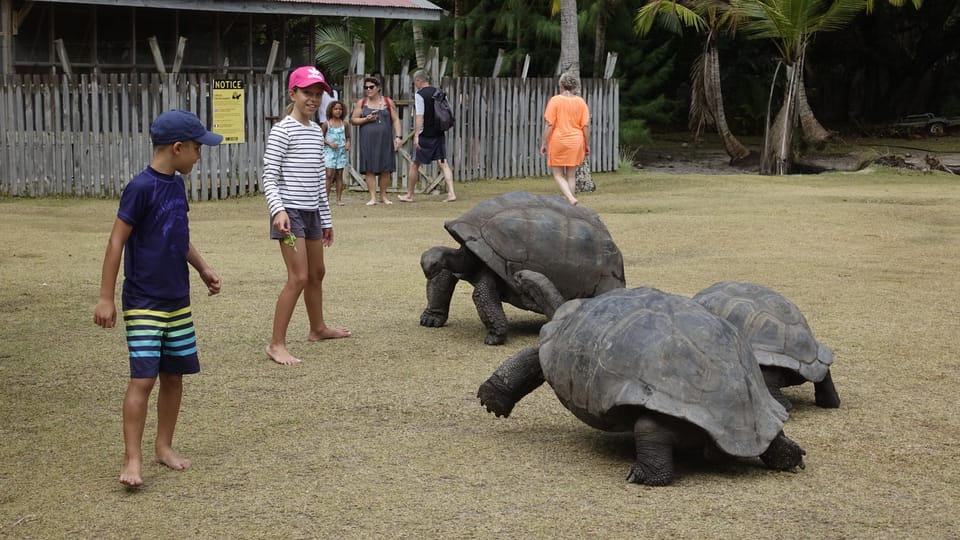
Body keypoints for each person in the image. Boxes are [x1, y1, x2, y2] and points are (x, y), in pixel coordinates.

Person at [93, 109, 223, 488]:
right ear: (178, 147)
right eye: (197, 149)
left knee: (173, 375)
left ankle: (163, 446)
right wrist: (105, 297)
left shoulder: (176, 187)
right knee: (143, 379)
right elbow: (117, 241)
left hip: (177, 300)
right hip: (144, 302)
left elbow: (177, 236)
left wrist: (202, 268)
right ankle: (131, 458)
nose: (200, 156)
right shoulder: (141, 187)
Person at [263, 66, 351, 366]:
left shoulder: (317, 131)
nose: (313, 99)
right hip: (289, 214)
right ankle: (276, 344)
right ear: (293, 94)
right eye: (307, 93)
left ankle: (317, 328)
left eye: (317, 94)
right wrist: (278, 210)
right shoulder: (282, 130)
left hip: (313, 213)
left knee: (317, 273)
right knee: (298, 277)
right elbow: (269, 177)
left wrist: (326, 220)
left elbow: (318, 181)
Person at [398, 70, 456, 203]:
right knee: (443, 163)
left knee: (414, 163)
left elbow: (420, 116)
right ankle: (451, 193)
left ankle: (410, 195)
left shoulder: (420, 95)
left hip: (425, 134)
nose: (415, 84)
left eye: (415, 81)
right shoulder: (438, 92)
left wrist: (417, 135)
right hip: (439, 132)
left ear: (419, 80)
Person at [540, 72, 590, 205]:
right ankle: (570, 204)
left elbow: (549, 124)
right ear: (574, 86)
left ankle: (571, 198)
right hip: (576, 141)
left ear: (560, 84)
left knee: (558, 174)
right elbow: (585, 125)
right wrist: (587, 144)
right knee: (571, 175)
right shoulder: (580, 102)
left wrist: (544, 142)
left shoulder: (555, 100)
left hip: (559, 140)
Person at [351, 76, 402, 205]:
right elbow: (353, 120)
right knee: (369, 168)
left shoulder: (388, 102)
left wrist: (398, 137)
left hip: (385, 140)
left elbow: (396, 119)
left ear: (378, 88)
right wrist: (366, 119)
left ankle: (383, 196)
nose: (368, 90)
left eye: (371, 87)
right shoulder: (361, 103)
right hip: (368, 140)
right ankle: (372, 197)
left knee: (386, 168)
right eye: (366, 87)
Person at [322, 99, 351, 206]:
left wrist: (348, 143)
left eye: (340, 109)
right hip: (329, 152)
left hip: (341, 152)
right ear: (331, 110)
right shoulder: (326, 124)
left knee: (339, 175)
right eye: (335, 109)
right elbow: (320, 138)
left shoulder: (345, 124)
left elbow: (348, 137)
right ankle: (326, 199)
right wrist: (329, 143)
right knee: (329, 175)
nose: (338, 111)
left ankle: (339, 199)